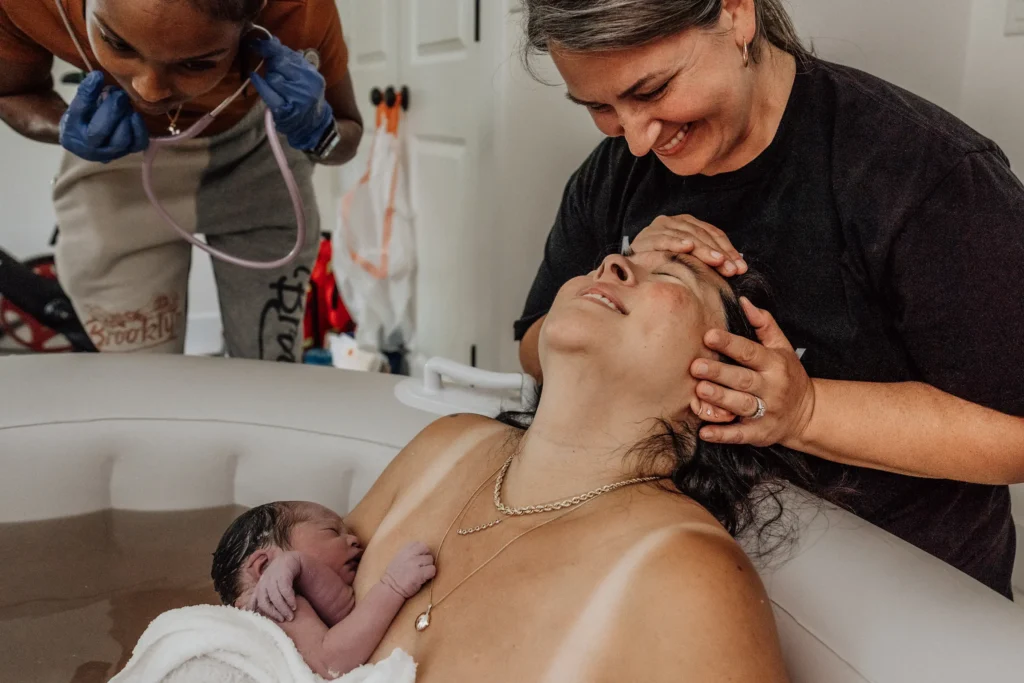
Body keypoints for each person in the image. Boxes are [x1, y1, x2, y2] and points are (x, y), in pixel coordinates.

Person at [514, 0, 1024, 598]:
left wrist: (805, 413)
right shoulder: (614, 176)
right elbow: (532, 345)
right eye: (600, 107)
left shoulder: (924, 176)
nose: (634, 140)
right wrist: (634, 269)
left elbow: (1015, 437)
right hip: (681, 576)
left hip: (896, 600)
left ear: (736, 14)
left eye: (652, 90)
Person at [318, 251, 825, 683]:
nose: (614, 263)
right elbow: (267, 630)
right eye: (614, 255)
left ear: (722, 392)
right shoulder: (446, 445)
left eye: (671, 276)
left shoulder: (692, 576)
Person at [0, 0, 363, 360]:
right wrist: (63, 127)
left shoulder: (301, 10)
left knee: (269, 371)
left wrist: (320, 130)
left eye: (197, 63)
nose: (148, 91)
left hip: (259, 158)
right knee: (140, 383)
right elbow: (13, 93)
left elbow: (347, 133)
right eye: (118, 43)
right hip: (118, 173)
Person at [211, 501, 437, 679]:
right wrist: (393, 586)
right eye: (332, 531)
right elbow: (331, 664)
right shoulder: (272, 602)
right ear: (263, 566)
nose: (355, 540)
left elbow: (342, 612)